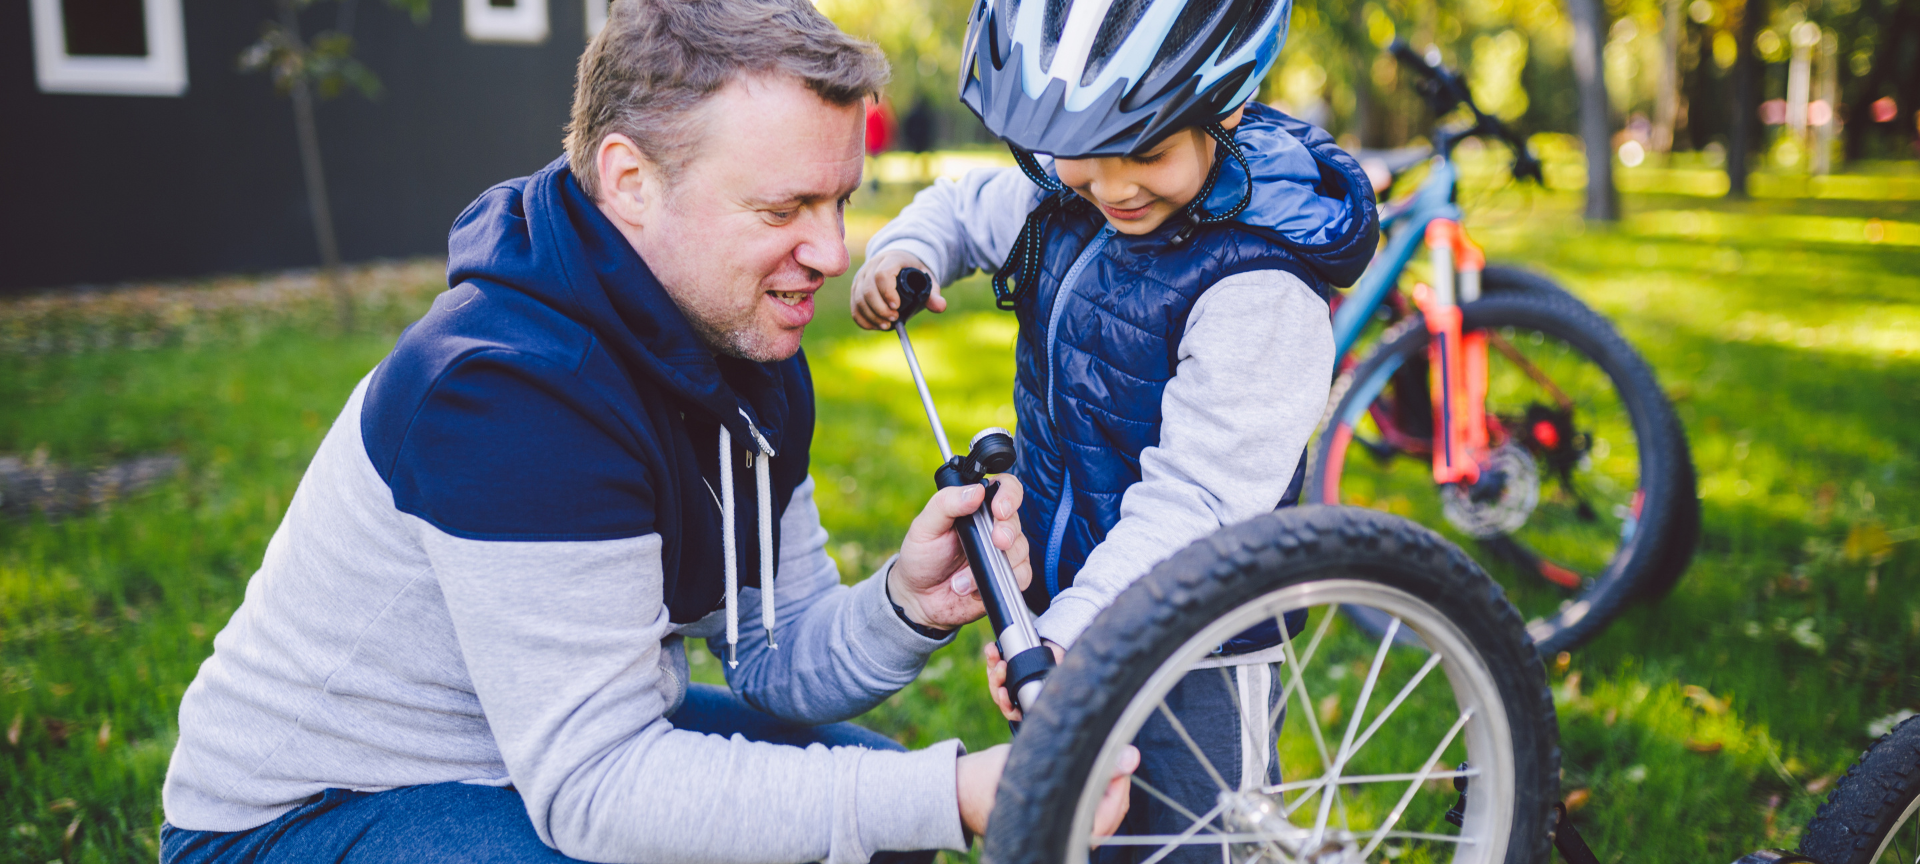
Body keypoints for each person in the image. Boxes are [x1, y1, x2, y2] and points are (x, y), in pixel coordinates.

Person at [158, 1, 1133, 862]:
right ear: (628, 181)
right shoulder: (506, 393)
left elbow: (777, 657)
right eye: (784, 207)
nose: (833, 254)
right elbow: (600, 792)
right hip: (304, 817)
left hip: (528, 752)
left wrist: (906, 603)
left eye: (839, 201)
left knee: (876, 834)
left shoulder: (743, 337)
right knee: (888, 808)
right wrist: (954, 794)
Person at [849, 0, 1379, 857]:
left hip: (1196, 645)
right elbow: (961, 206)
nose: (1115, 187)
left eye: (1149, 154)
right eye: (1084, 160)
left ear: (1227, 109)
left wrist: (1069, 635)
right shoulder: (1068, 190)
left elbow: (1201, 502)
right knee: (1080, 828)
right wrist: (907, 253)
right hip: (1065, 622)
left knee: (1197, 840)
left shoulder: (1260, 290)